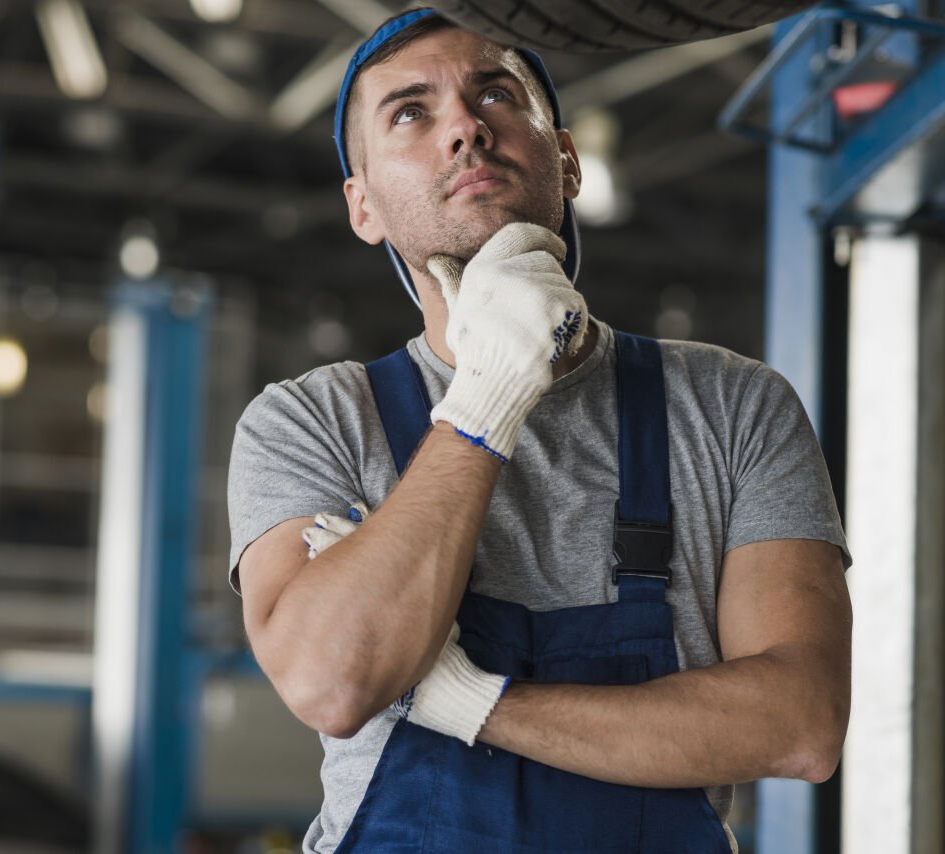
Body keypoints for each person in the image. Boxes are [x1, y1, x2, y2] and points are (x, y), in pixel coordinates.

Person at [226, 8, 852, 853]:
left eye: (496, 95)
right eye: (411, 112)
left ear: (565, 158)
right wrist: (487, 398)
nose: (464, 128)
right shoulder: (312, 420)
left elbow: (799, 724)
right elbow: (332, 681)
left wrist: (475, 705)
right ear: (362, 205)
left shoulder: (732, 406)